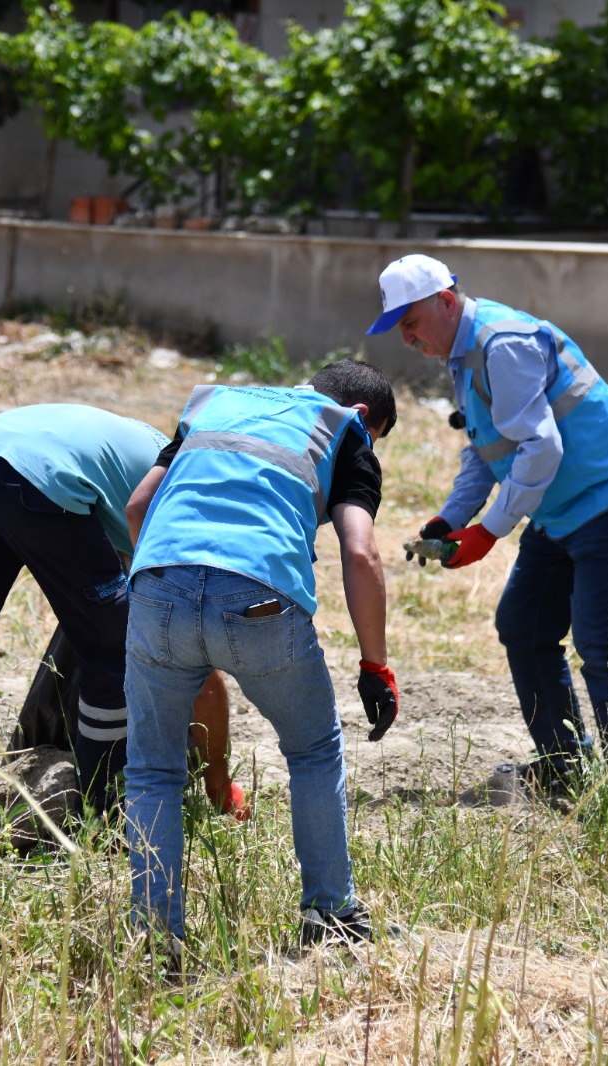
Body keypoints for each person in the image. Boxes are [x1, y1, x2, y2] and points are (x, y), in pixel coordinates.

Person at [0, 404, 243, 861]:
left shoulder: (152, 450)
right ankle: (104, 832)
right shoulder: (188, 501)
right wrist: (218, 784)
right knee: (110, 659)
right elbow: (195, 666)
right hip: (42, 480)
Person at [124, 360, 400, 950]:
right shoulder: (343, 429)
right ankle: (330, 917)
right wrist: (375, 666)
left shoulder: (212, 406)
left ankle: (153, 941)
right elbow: (361, 553)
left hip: (157, 583)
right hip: (260, 597)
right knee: (314, 750)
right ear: (362, 417)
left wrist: (158, 595)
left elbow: (137, 505)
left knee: (151, 770)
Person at [366, 254, 608, 794]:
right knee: (524, 625)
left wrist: (489, 531)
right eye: (398, 329)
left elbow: (541, 448)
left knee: (600, 644)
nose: (407, 339)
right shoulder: (465, 354)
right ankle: (565, 768)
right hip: (563, 507)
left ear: (446, 302)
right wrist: (451, 518)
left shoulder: (502, 345)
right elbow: (487, 450)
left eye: (409, 323)